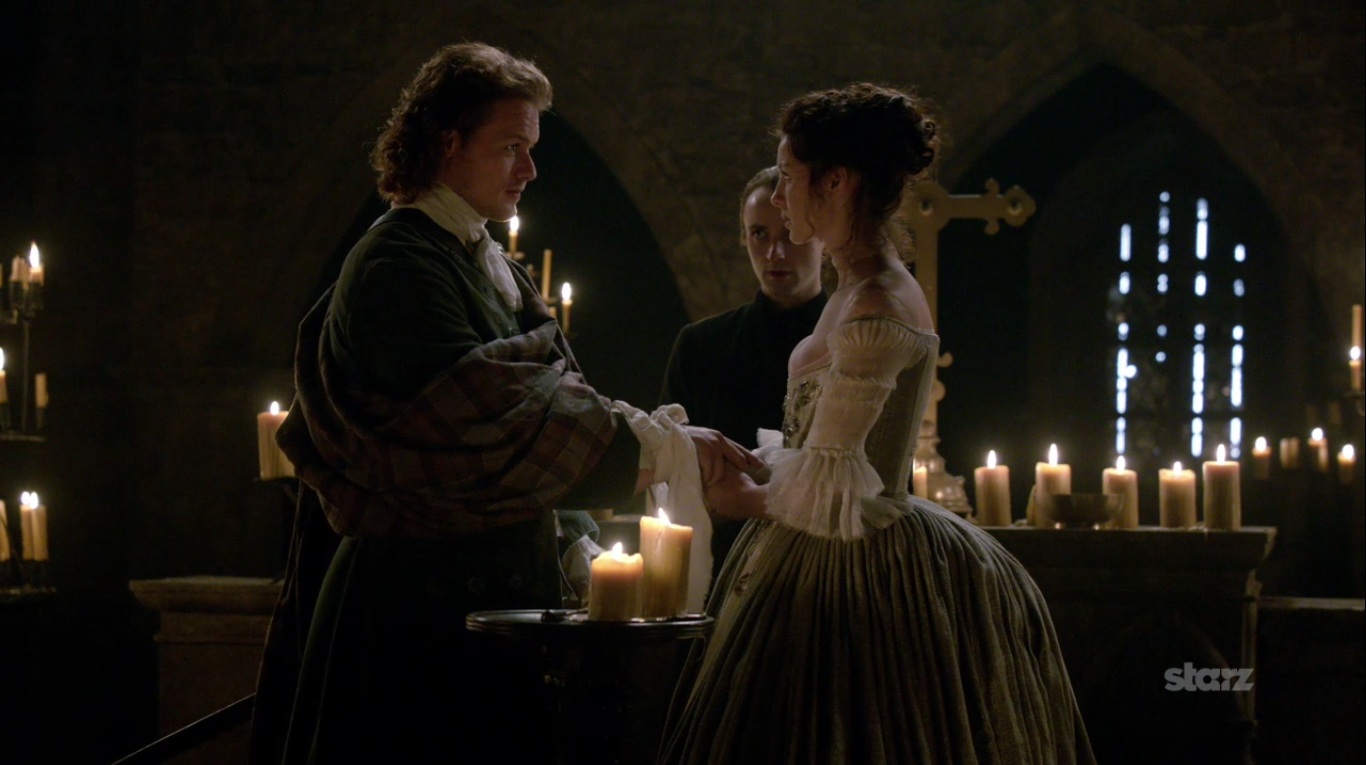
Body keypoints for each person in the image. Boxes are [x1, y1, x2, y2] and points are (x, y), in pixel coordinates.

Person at [247, 42, 755, 765]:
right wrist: (661, 447)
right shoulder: (397, 263)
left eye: (531, 148)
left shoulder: (482, 261)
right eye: (511, 147)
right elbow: (490, 424)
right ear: (447, 144)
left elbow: (549, 396)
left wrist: (581, 533)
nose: (530, 169)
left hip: (474, 611)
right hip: (411, 618)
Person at [661, 83, 1095, 764]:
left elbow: (839, 483)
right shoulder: (855, 290)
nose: (781, 196)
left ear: (835, 182)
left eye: (790, 178)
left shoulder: (877, 303)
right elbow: (824, 450)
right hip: (817, 546)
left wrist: (740, 497)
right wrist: (757, 464)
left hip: (858, 567)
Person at [659, 165, 826, 584]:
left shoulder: (850, 342)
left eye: (790, 233)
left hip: (829, 566)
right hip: (723, 568)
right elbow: (669, 465)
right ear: (743, 238)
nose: (775, 252)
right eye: (760, 234)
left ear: (821, 236)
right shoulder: (701, 346)